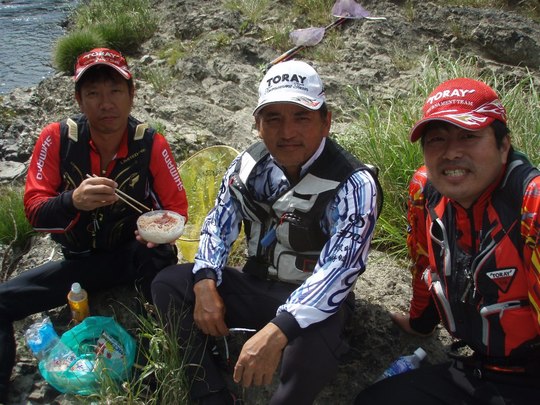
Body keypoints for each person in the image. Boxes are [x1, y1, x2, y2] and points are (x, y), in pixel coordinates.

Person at [151, 60, 382, 405]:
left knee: (310, 349)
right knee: (169, 284)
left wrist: (278, 330)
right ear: (258, 125)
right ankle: (210, 394)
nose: (287, 132)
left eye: (301, 117)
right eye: (273, 118)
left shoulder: (354, 184)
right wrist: (204, 281)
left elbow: (340, 269)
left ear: (326, 122)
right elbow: (218, 223)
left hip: (317, 305)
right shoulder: (247, 167)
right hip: (257, 284)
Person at [0, 47, 188, 401]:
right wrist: (72, 200)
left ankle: (154, 372)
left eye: (116, 91)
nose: (106, 103)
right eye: (93, 93)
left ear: (131, 94)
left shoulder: (150, 143)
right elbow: (35, 210)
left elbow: (176, 209)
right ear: (79, 99)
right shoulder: (57, 138)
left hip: (133, 258)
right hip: (78, 264)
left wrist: (152, 232)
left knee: (161, 259)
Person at [354, 78, 540, 405]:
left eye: (469, 136)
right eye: (437, 139)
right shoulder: (426, 191)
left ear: (504, 145)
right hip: (477, 371)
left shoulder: (531, 204)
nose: (451, 152)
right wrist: (420, 322)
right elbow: (425, 263)